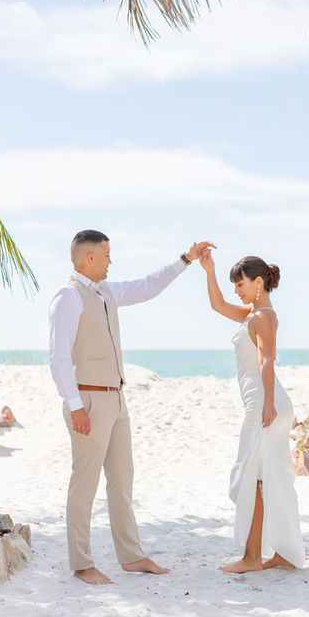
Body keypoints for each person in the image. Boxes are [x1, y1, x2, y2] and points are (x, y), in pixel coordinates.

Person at [49, 229, 214, 585]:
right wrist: (75, 407)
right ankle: (81, 563)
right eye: (107, 256)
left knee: (122, 480)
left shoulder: (107, 291)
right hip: (89, 400)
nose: (112, 261)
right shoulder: (68, 296)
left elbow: (147, 286)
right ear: (90, 257)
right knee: (85, 484)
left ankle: (132, 556)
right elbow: (58, 358)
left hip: (116, 398)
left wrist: (185, 260)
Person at [198, 249, 304, 572]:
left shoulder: (261, 317)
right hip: (263, 401)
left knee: (252, 477)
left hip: (263, 404)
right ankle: (282, 553)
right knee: (269, 478)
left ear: (258, 282)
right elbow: (217, 305)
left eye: (240, 283)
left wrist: (268, 403)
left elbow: (265, 361)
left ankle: (252, 557)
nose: (236, 290)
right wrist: (209, 270)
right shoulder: (253, 314)